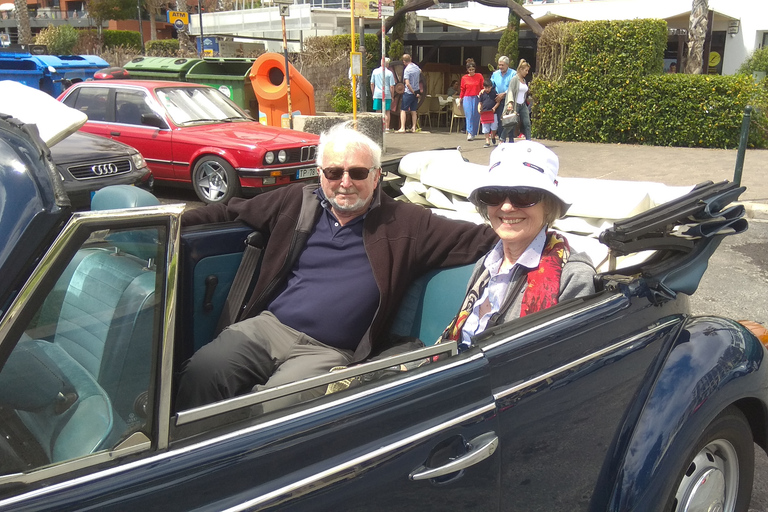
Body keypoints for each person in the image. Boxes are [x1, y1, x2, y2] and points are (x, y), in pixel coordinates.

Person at [176, 122, 497, 412]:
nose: (345, 183)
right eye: (334, 173)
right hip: (269, 326)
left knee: (272, 407)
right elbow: (228, 213)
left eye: (357, 173)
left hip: (330, 350)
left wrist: (533, 228)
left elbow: (484, 238)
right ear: (320, 174)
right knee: (203, 371)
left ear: (376, 176)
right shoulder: (297, 201)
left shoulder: (408, 223)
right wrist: (163, 227)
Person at [442, 141, 596, 351]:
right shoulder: (485, 265)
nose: (506, 206)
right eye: (494, 194)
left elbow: (565, 363)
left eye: (524, 195)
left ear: (549, 204)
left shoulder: (571, 276)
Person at [505, 59, 532, 141]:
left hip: (522, 104)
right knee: (512, 123)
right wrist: (510, 102)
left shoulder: (524, 80)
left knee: (527, 123)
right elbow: (510, 91)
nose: (527, 72)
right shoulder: (514, 79)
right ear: (520, 70)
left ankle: (528, 140)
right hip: (515, 103)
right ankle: (506, 139)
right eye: (526, 70)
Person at [490, 56, 516, 143]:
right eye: (499, 65)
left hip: (509, 100)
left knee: (510, 119)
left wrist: (504, 93)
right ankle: (502, 139)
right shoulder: (495, 74)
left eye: (502, 65)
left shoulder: (513, 73)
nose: (500, 67)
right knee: (500, 120)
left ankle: (511, 139)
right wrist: (484, 89)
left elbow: (514, 87)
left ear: (507, 65)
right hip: (499, 100)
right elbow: (491, 84)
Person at [460, 58, 484, 141]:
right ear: (467, 70)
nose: (471, 71)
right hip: (467, 97)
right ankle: (469, 132)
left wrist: (482, 93)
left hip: (477, 97)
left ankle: (473, 132)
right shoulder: (464, 78)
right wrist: (460, 99)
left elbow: (482, 87)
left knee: (476, 115)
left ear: (475, 69)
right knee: (469, 115)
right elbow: (462, 89)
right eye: (469, 70)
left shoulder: (479, 76)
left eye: (473, 69)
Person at [397, 54, 421, 133]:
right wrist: (416, 91)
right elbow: (420, 71)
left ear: (404, 61)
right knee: (413, 111)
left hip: (409, 92)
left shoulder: (407, 70)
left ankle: (402, 127)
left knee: (403, 110)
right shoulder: (416, 68)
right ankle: (413, 127)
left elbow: (407, 83)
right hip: (417, 91)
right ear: (410, 59)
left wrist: (412, 91)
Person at [371, 57, 395, 131]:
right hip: (387, 94)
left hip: (377, 94)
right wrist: (392, 96)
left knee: (378, 112)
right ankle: (387, 127)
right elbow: (392, 86)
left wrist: (373, 94)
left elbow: (372, 83)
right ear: (387, 64)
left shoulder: (375, 71)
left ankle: (379, 127)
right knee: (387, 111)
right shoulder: (390, 73)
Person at [477, 78, 499, 148]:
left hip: (493, 112)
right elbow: (480, 103)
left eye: (488, 87)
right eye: (486, 87)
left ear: (491, 87)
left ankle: (493, 136)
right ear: (483, 87)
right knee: (485, 128)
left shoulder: (494, 93)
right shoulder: (482, 94)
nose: (487, 89)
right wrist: (479, 109)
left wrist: (494, 108)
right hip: (485, 112)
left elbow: (498, 102)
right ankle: (487, 141)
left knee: (494, 127)